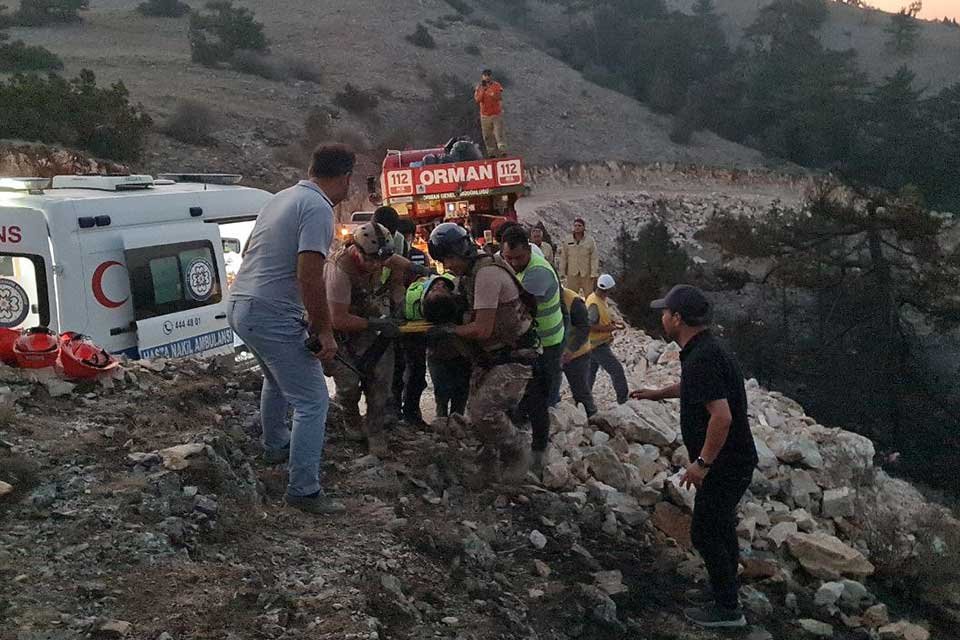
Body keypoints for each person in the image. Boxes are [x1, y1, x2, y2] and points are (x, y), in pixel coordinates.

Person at [227, 144, 350, 515]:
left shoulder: (280, 198)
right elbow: (309, 275)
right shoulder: (317, 208)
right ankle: (304, 490)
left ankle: (276, 446)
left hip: (241, 304)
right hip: (270, 311)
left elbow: (251, 253)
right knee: (312, 400)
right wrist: (324, 330)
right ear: (345, 177)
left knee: (276, 379)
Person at [630, 285, 758, 629]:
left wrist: (702, 464)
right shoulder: (706, 349)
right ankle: (724, 591)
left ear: (678, 318)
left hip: (725, 463)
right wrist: (658, 394)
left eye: (665, 312)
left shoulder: (702, 357)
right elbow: (696, 388)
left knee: (705, 531)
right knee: (721, 526)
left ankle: (728, 611)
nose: (661, 317)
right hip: (733, 460)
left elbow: (722, 417)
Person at [427, 222, 539, 484]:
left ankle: (517, 450)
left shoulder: (486, 274)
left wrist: (450, 331)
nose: (447, 266)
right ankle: (487, 462)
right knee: (476, 415)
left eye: (448, 259)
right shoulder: (471, 273)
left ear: (459, 252)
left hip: (515, 355)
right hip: (492, 355)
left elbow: (482, 328)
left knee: (483, 411)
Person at [324, 222, 425, 457]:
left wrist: (418, 269)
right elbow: (338, 319)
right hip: (341, 328)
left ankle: (375, 429)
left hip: (368, 319)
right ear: (356, 250)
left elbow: (394, 260)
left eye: (380, 261)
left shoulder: (378, 255)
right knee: (348, 384)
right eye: (370, 261)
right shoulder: (339, 270)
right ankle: (351, 419)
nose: (376, 266)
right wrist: (377, 324)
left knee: (381, 381)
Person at [500, 225, 565, 473]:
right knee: (526, 395)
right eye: (508, 258)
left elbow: (519, 309)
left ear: (528, 250)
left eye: (518, 258)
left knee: (538, 399)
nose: (513, 263)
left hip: (547, 345)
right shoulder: (517, 265)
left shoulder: (537, 272)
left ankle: (538, 452)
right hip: (534, 343)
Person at [418, 274, 472, 418]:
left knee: (460, 393)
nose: (439, 287)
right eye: (435, 286)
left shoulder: (460, 306)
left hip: (459, 355)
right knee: (441, 393)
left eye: (444, 286)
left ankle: (456, 421)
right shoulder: (423, 310)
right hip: (438, 356)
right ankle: (442, 420)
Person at [587, 274, 629, 405]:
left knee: (590, 373)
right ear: (607, 290)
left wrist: (613, 323)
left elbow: (600, 318)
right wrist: (610, 328)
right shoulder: (594, 304)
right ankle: (623, 400)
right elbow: (589, 325)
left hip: (592, 344)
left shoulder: (597, 299)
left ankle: (583, 400)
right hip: (597, 345)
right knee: (617, 370)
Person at [559, 287, 597, 417]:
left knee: (580, 390)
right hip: (554, 352)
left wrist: (571, 349)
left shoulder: (573, 300)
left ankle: (591, 416)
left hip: (577, 354)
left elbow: (584, 327)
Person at [559, 218, 599, 295]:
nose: (577, 227)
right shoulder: (568, 240)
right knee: (571, 295)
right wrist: (562, 271)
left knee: (589, 295)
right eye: (575, 226)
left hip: (586, 274)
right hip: (572, 273)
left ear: (584, 227)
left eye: (579, 226)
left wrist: (594, 273)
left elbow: (594, 258)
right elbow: (564, 257)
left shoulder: (590, 240)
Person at [474, 69, 506, 158]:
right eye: (485, 75)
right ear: (482, 76)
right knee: (487, 136)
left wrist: (492, 93)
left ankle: (503, 152)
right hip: (485, 115)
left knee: (499, 133)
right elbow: (477, 100)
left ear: (491, 76)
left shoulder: (496, 85)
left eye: (488, 75)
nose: (487, 77)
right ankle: (491, 153)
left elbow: (499, 97)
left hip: (496, 114)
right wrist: (483, 91)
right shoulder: (479, 87)